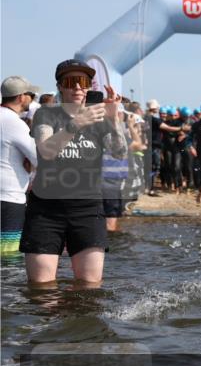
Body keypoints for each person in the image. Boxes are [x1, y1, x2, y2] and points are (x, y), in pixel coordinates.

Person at [19, 59, 127, 285]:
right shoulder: (46, 115)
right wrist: (76, 124)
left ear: (89, 86)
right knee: (42, 289)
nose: (78, 87)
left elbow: (119, 152)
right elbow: (46, 151)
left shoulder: (98, 118)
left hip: (87, 209)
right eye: (71, 81)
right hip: (46, 210)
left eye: (84, 81)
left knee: (89, 287)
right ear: (60, 86)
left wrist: (113, 119)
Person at [1, 76, 40, 255]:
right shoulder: (14, 122)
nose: (31, 99)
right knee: (8, 256)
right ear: (21, 97)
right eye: (30, 94)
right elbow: (40, 158)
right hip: (9, 198)